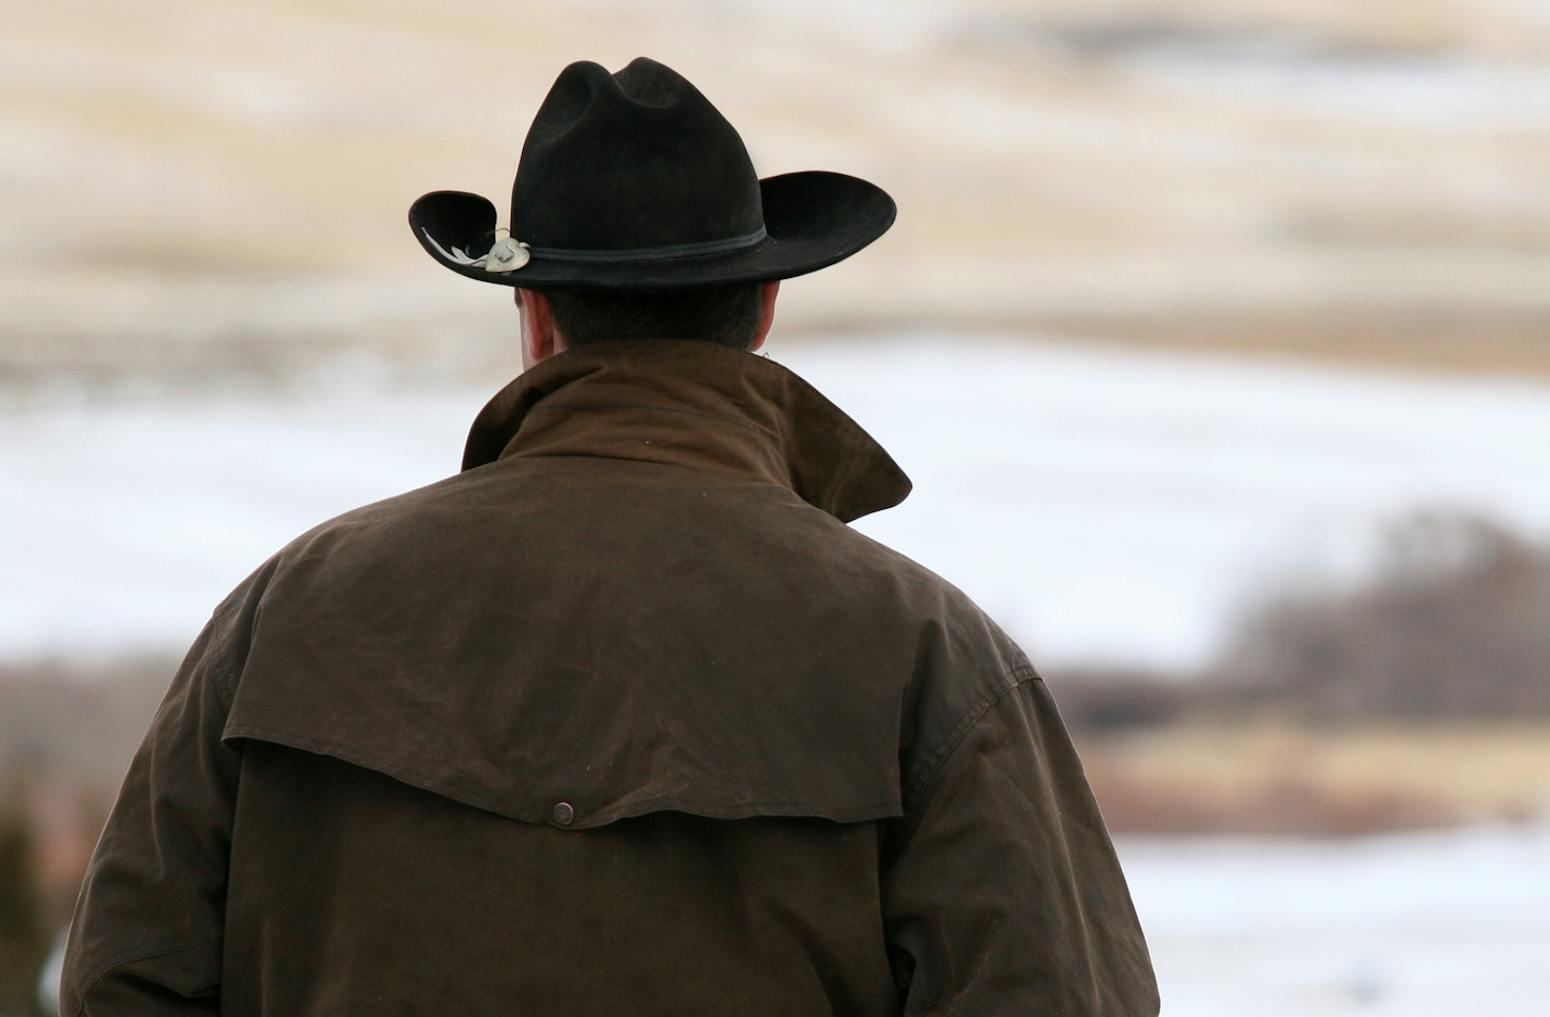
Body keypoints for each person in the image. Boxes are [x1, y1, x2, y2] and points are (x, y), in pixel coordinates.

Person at [60, 57, 1158, 1016]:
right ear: (764, 305)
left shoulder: (289, 611)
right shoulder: (925, 648)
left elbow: (128, 975)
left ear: (535, 319)